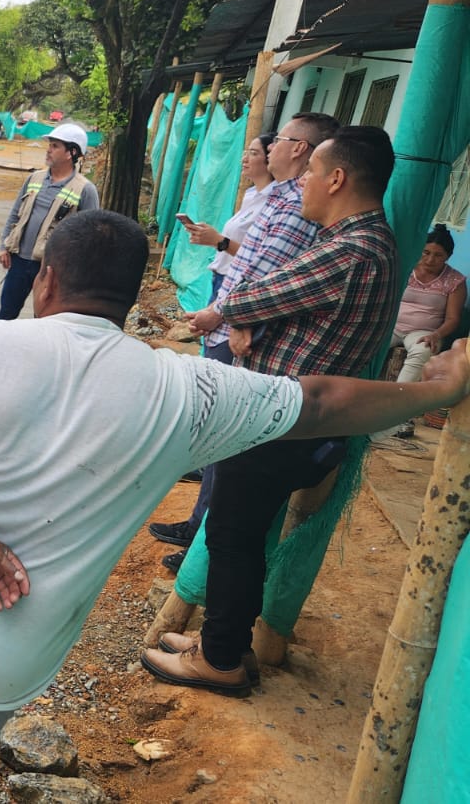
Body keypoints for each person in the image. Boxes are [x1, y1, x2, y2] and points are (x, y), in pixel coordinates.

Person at [0, 209, 470, 804]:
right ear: (129, 299)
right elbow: (322, 402)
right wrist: (431, 391)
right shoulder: (183, 391)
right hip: (7, 646)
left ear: (47, 281)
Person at [144, 126, 400, 696]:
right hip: (288, 420)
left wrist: (224, 313)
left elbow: (265, 291)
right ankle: (227, 642)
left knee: (233, 534)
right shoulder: (363, 244)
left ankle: (220, 662)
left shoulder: (353, 249)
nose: (303, 182)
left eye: (312, 172)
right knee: (245, 532)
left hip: (281, 425)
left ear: (337, 178)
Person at [150, 113, 341, 559]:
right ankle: (200, 532)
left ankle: (203, 543)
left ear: (298, 149)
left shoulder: (297, 203)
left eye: (278, 142)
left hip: (244, 329)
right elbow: (253, 267)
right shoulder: (276, 195)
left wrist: (230, 318)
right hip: (233, 317)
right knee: (222, 428)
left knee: (229, 429)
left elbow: (268, 276)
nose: (269, 148)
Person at [151, 132, 276, 572]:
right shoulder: (255, 197)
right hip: (226, 295)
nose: (246, 158)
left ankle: (200, 538)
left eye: (255, 152)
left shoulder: (280, 204)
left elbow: (262, 269)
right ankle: (196, 522)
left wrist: (221, 244)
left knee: (220, 406)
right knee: (212, 399)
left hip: (236, 306)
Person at [0, 123, 100, 320]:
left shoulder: (85, 190)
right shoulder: (35, 178)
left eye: (54, 146)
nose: (48, 150)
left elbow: (90, 237)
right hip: (19, 261)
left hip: (52, 269)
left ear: (71, 152)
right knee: (5, 316)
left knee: (44, 321)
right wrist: (4, 246)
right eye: (49, 145)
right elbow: (15, 213)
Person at [376, 224, 465, 440]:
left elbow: (453, 319)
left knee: (423, 351)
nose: (430, 259)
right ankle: (359, 399)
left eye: (438, 255)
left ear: (448, 256)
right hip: (393, 326)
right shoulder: (405, 268)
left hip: (424, 331)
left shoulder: (455, 281)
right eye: (426, 252)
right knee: (369, 345)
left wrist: (436, 335)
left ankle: (396, 410)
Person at [181, 133, 277, 301]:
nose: (244, 159)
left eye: (254, 153)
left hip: (238, 284)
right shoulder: (252, 194)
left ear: (271, 159)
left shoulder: (274, 202)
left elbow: (260, 258)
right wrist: (211, 237)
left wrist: (219, 240)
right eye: (246, 152)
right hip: (222, 276)